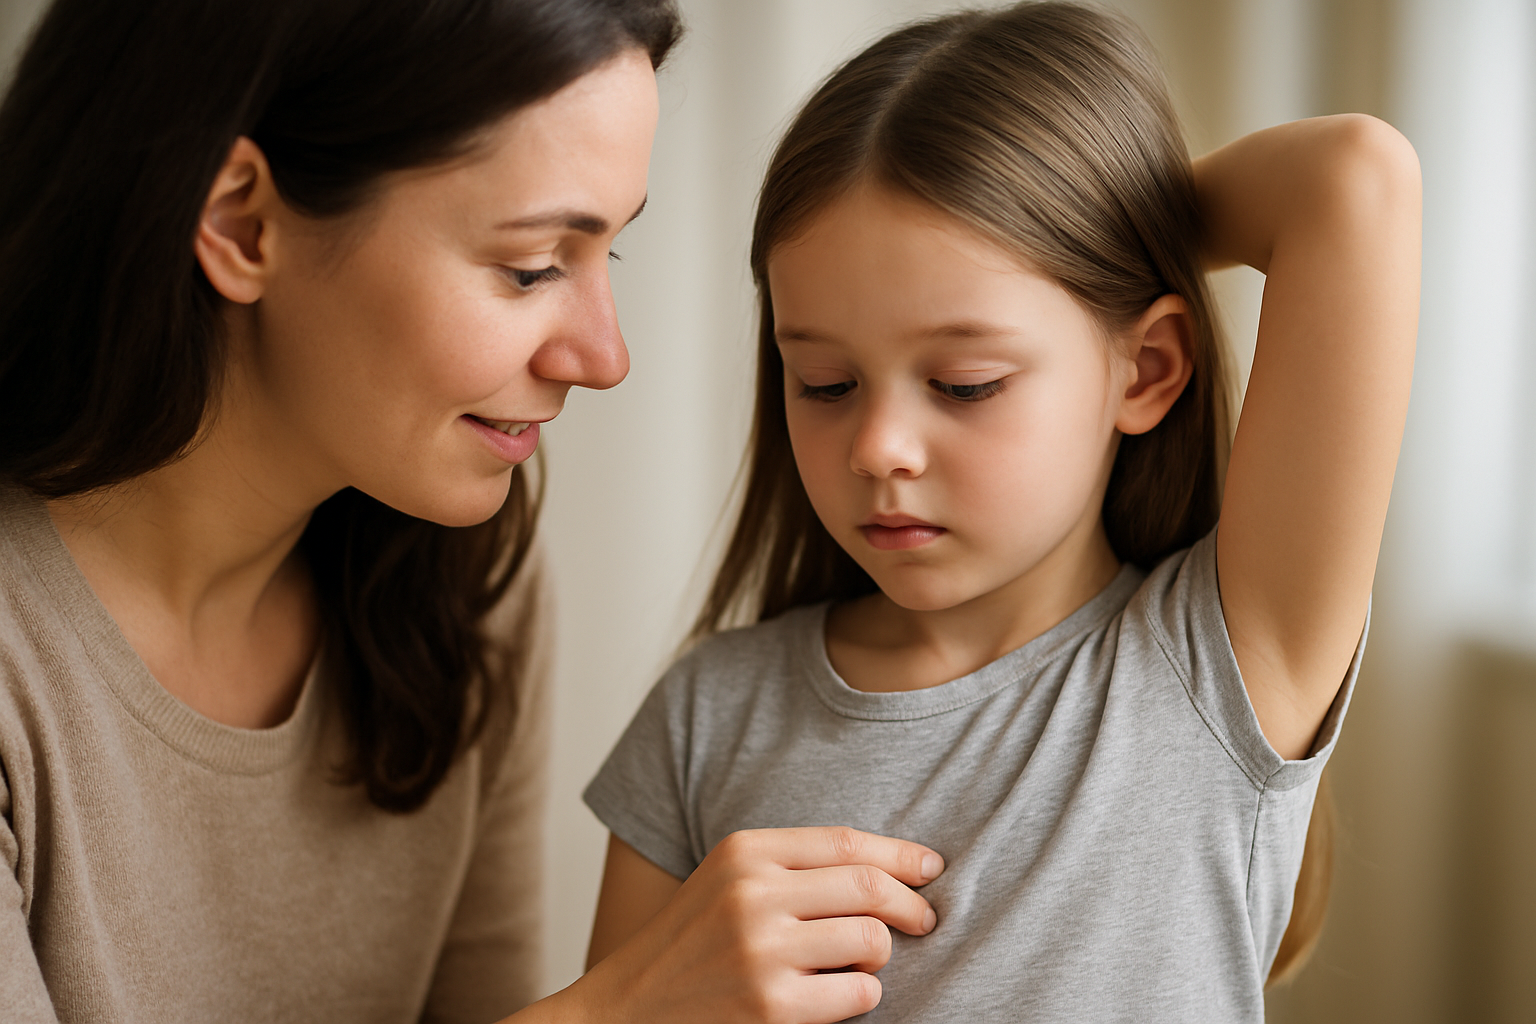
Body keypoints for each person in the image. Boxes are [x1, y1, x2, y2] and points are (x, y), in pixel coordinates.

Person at [0, 1, 954, 1022]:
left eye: (609, 254)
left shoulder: (460, 588)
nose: (604, 357)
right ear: (242, 221)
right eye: (532, 266)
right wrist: (618, 1009)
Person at [583, 2, 1421, 1020]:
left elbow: (1354, 178)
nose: (879, 448)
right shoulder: (708, 716)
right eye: (826, 382)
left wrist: (1096, 218)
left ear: (1145, 369)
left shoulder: (1218, 667)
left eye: (968, 382)